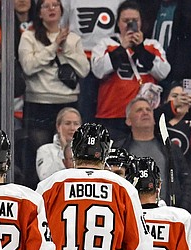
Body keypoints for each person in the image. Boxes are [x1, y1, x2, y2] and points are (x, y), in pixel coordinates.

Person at [19, 0, 90, 172]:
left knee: (71, 153)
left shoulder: (72, 39)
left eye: (55, 5)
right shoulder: (28, 37)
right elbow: (28, 67)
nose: (51, 9)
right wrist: (54, 46)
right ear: (39, 12)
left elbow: (84, 70)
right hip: (39, 103)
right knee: (40, 155)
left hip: (68, 103)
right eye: (46, 6)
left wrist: (65, 49)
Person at [90, 1, 170, 139]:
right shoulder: (106, 43)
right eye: (126, 21)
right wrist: (122, 48)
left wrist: (140, 49)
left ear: (141, 22)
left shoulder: (153, 45)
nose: (130, 24)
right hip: (112, 114)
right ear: (118, 23)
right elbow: (98, 71)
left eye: (135, 20)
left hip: (144, 113)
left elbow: (163, 72)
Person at [116, 97, 191, 214]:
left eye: (148, 110)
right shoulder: (120, 150)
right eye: (139, 110)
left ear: (154, 120)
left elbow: (187, 181)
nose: (145, 112)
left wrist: (180, 211)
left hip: (166, 216)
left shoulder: (171, 149)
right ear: (128, 121)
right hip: (130, 215)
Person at [36, 107, 82, 181]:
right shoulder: (45, 150)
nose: (72, 128)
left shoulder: (86, 151)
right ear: (58, 126)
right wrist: (64, 151)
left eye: (76, 124)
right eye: (67, 123)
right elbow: (45, 178)